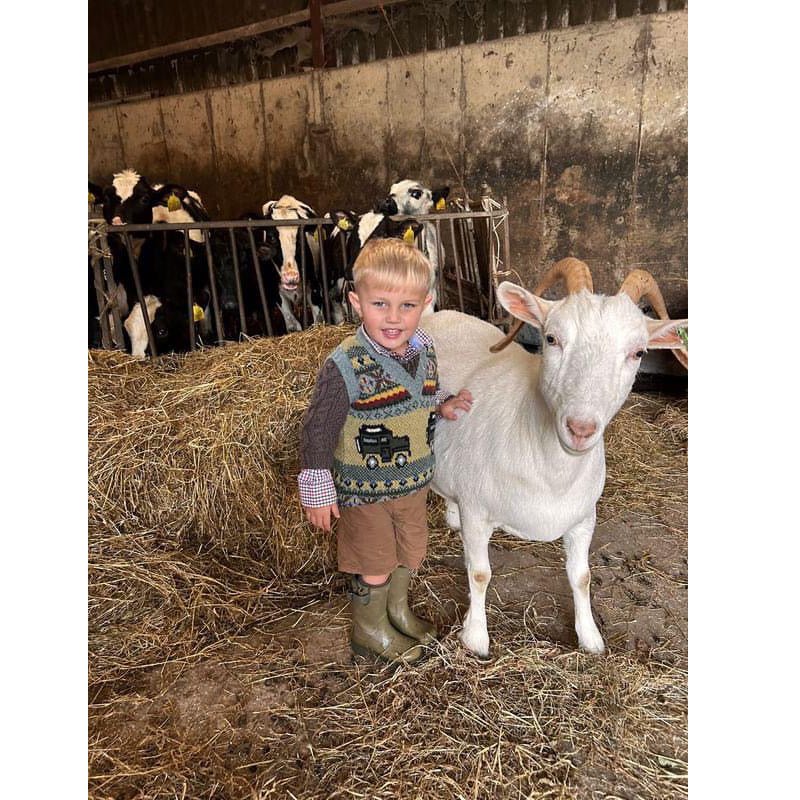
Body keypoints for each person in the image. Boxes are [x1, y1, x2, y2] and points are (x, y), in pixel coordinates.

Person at [298, 237, 472, 664]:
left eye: (407, 306)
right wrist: (317, 488)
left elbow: (420, 393)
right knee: (374, 560)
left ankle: (395, 611)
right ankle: (368, 631)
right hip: (365, 490)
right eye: (380, 305)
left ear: (425, 302)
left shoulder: (424, 349)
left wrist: (442, 403)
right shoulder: (346, 364)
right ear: (357, 302)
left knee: (408, 551)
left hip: (413, 480)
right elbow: (318, 427)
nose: (394, 319)